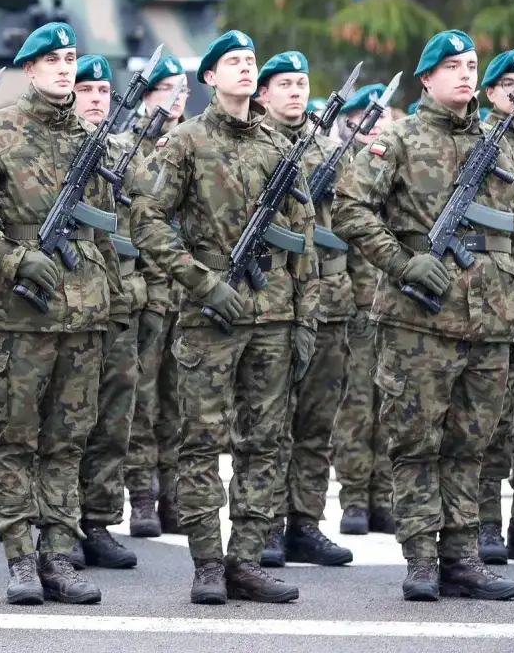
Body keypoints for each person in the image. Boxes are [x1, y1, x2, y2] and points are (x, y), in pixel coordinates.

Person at [333, 30, 514, 602]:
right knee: (416, 443)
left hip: (490, 322)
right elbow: (349, 207)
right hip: (419, 321)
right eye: (452, 67)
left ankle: (462, 556)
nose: (466, 75)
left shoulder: (502, 144)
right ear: (426, 79)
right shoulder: (398, 140)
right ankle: (421, 559)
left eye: (471, 66)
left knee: (472, 445)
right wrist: (402, 263)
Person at [129, 30, 318, 605]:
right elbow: (147, 219)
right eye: (232, 62)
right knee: (201, 442)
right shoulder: (186, 141)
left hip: (275, 317)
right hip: (212, 317)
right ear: (209, 77)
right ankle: (208, 563)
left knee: (266, 443)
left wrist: (305, 317)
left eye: (249, 61)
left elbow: (302, 239)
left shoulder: (279, 146)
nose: (244, 68)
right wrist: (203, 282)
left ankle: (246, 560)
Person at [0, 22, 125, 605]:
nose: (65, 68)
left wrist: (107, 295)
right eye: (53, 60)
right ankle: (21, 557)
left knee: (69, 441)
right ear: (30, 69)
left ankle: (59, 555)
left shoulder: (91, 135)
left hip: (84, 313)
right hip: (21, 314)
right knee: (15, 439)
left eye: (71, 58)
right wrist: (10, 257)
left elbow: (108, 220)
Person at [253, 51, 354, 569]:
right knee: (267, 422)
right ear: (263, 94)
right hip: (270, 301)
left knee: (316, 425)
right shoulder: (251, 145)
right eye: (284, 84)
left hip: (331, 303)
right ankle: (264, 525)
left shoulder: (333, 152)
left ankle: (305, 524)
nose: (296, 92)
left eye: (302, 82)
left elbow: (358, 222)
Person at [114, 53, 189, 539]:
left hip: (188, 289)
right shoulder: (129, 148)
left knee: (179, 398)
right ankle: (141, 495)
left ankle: (173, 495)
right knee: (140, 397)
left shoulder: (193, 143)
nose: (178, 98)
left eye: (182, 90)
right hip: (145, 288)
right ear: (146, 96)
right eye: (168, 90)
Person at [71, 53, 139, 570]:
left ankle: (97, 521)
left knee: (113, 419)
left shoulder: (127, 154)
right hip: (68, 305)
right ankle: (59, 524)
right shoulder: (60, 150)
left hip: (121, 304)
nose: (97, 98)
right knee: (67, 422)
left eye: (103, 91)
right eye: (86, 89)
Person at [332, 82, 398, 536]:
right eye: (366, 116)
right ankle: (355, 498)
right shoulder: (343, 168)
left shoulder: (401, 165)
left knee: (392, 404)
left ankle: (383, 495)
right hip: (356, 301)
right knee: (357, 403)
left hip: (397, 301)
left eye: (383, 114)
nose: (376, 123)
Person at [468, 49, 514, 565]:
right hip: (495, 301)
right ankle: (485, 524)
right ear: (490, 93)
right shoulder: (484, 146)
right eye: (509, 84)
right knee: (492, 422)